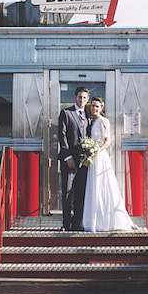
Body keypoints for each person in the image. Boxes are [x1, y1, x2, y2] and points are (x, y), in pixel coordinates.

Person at [82, 96, 139, 232]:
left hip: (99, 157)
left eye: (97, 106)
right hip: (91, 158)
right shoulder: (91, 121)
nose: (94, 108)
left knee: (103, 185)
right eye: (92, 106)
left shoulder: (103, 121)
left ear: (101, 108)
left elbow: (107, 141)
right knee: (93, 187)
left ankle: (108, 221)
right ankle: (94, 219)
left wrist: (96, 151)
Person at [58, 86, 90, 230]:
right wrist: (67, 156)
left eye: (84, 97)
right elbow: (62, 135)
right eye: (79, 97)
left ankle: (77, 222)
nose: (82, 100)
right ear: (75, 98)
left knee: (80, 192)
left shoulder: (88, 115)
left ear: (87, 99)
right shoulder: (66, 113)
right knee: (67, 192)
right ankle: (66, 223)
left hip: (83, 162)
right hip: (69, 161)